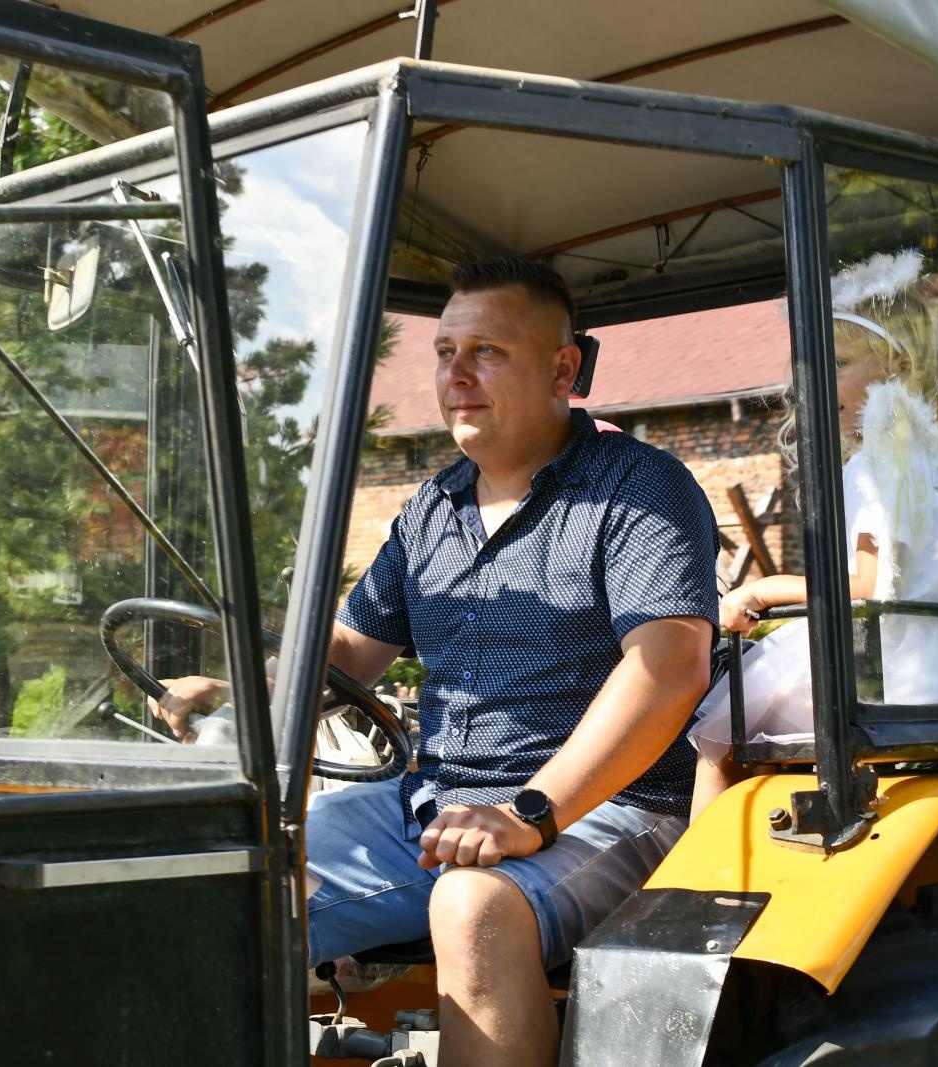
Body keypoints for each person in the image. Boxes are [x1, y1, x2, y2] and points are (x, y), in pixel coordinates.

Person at [156, 256, 719, 1066]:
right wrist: (241, 689)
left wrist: (531, 813)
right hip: (437, 803)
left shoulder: (638, 488)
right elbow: (348, 653)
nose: (455, 374)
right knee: (230, 878)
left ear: (565, 369)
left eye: (486, 351)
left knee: (470, 905)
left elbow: (668, 670)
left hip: (606, 809)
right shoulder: (432, 509)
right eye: (444, 351)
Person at [690, 250, 938, 818]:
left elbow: (866, 584)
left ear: (899, 367)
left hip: (896, 681)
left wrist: (762, 591)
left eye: (836, 362)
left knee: (719, 743)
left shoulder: (872, 467)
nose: (813, 380)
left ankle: (700, 891)